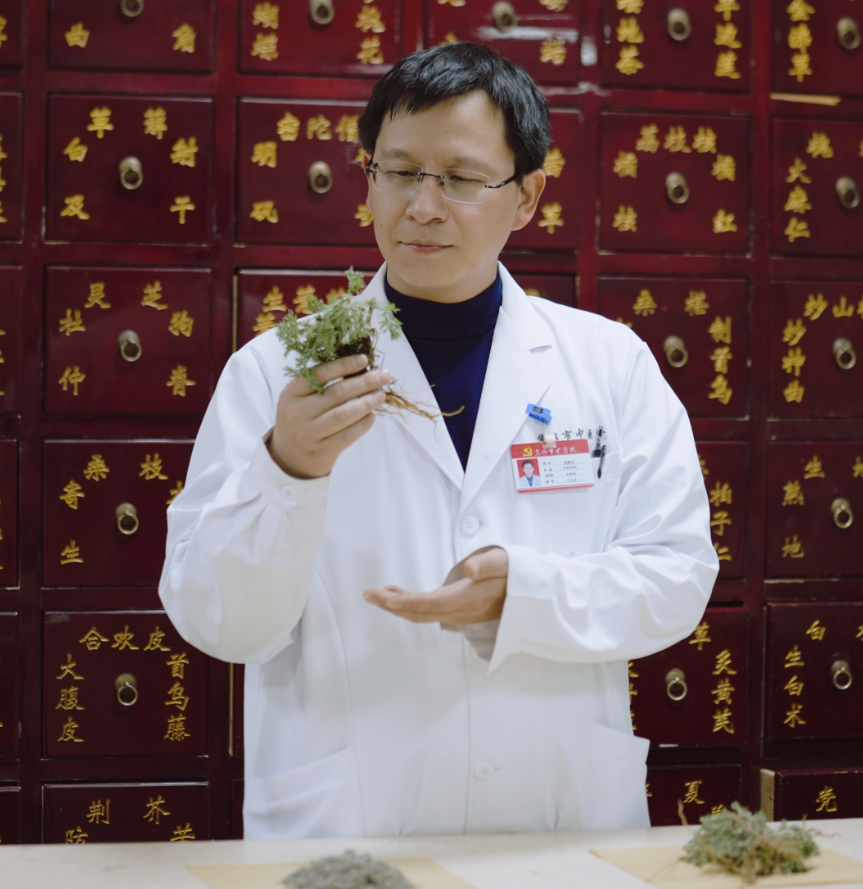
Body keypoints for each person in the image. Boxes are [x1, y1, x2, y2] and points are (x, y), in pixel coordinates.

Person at [159, 43, 718, 840]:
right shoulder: (273, 373)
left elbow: (676, 576)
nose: (421, 206)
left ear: (526, 196)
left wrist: (527, 597)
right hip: (354, 821)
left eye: (459, 179)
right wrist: (289, 473)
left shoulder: (609, 364)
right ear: (368, 177)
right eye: (397, 172)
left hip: (556, 824)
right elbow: (219, 623)